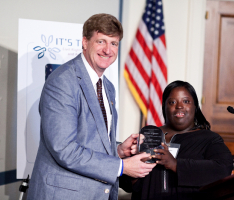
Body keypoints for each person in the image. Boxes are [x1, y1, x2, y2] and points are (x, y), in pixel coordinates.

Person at [27, 14, 156, 200]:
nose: (107, 50)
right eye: (101, 41)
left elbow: (90, 140)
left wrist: (118, 151)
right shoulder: (62, 81)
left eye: (114, 43)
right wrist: (122, 167)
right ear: (85, 42)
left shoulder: (108, 87)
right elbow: (64, 149)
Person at [120, 80, 234, 200]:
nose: (179, 106)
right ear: (165, 106)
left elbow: (223, 168)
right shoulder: (149, 136)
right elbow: (125, 182)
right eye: (172, 102)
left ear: (195, 106)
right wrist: (137, 165)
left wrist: (175, 164)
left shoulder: (209, 138)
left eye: (186, 101)